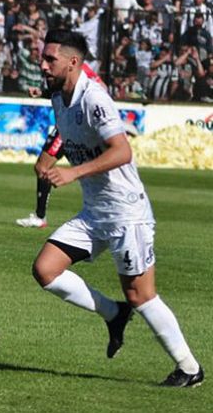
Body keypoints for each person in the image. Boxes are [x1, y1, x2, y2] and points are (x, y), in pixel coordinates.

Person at [31, 29, 203, 387]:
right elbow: (69, 138)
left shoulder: (95, 99)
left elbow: (122, 150)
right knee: (45, 270)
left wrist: (73, 172)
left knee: (140, 294)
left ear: (73, 62)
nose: (42, 64)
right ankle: (113, 314)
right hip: (95, 212)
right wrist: (50, 159)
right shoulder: (59, 98)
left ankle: (190, 368)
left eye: (50, 59)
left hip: (126, 212)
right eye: (43, 58)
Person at [16, 62, 104, 229]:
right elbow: (60, 90)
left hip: (71, 128)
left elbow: (101, 87)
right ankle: (40, 216)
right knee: (42, 168)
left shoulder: (82, 69)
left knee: (43, 168)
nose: (44, 64)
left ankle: (40, 217)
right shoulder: (64, 69)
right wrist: (42, 92)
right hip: (64, 126)